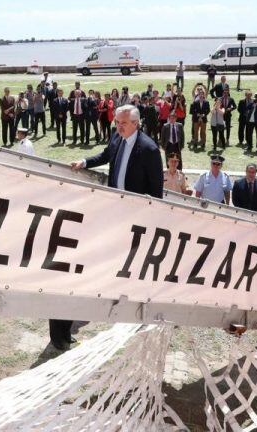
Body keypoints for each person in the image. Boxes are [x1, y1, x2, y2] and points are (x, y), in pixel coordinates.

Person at [65, 105, 164, 350]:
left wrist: (146, 220)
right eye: (117, 122)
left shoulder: (150, 149)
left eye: (122, 123)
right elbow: (106, 155)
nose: (117, 126)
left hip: (135, 218)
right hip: (113, 211)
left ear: (135, 123)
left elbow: (156, 192)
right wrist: (84, 161)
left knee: (130, 260)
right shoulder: (117, 138)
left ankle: (129, 305)